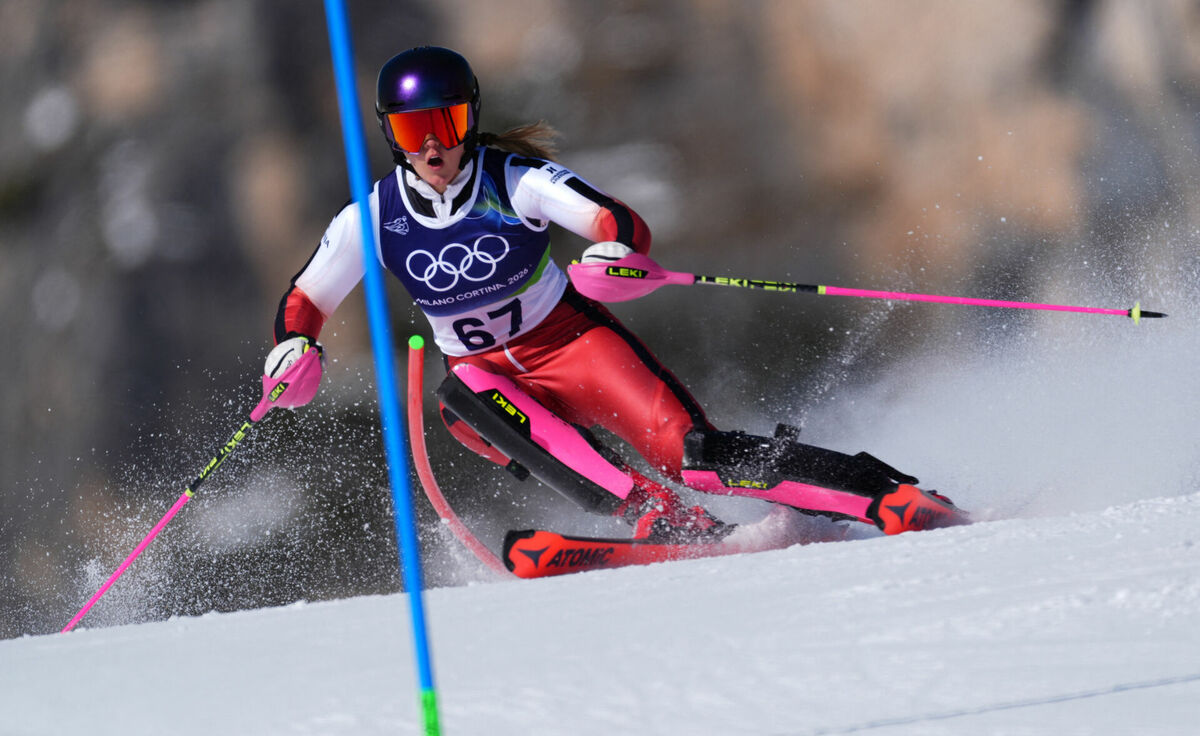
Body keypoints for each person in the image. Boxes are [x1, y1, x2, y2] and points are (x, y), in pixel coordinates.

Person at [265, 46, 965, 544]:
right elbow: (308, 298)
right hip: (489, 382)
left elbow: (612, 217)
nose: (433, 149)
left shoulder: (514, 180)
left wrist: (613, 250)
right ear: (391, 135)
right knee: (461, 398)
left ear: (468, 121)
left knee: (697, 456)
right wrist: (296, 346)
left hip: (570, 344)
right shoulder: (372, 218)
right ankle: (654, 515)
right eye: (415, 132)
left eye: (445, 127)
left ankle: (885, 494)